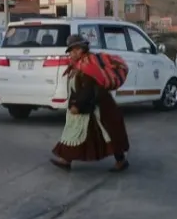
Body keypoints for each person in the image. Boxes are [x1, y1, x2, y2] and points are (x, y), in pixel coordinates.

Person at [50, 34, 131, 173]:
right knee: (77, 132)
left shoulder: (88, 66)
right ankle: (66, 160)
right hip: (90, 107)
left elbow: (89, 90)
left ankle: (121, 160)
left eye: (74, 50)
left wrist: (77, 105)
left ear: (81, 49)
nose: (71, 53)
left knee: (108, 134)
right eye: (70, 50)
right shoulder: (78, 65)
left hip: (100, 107)